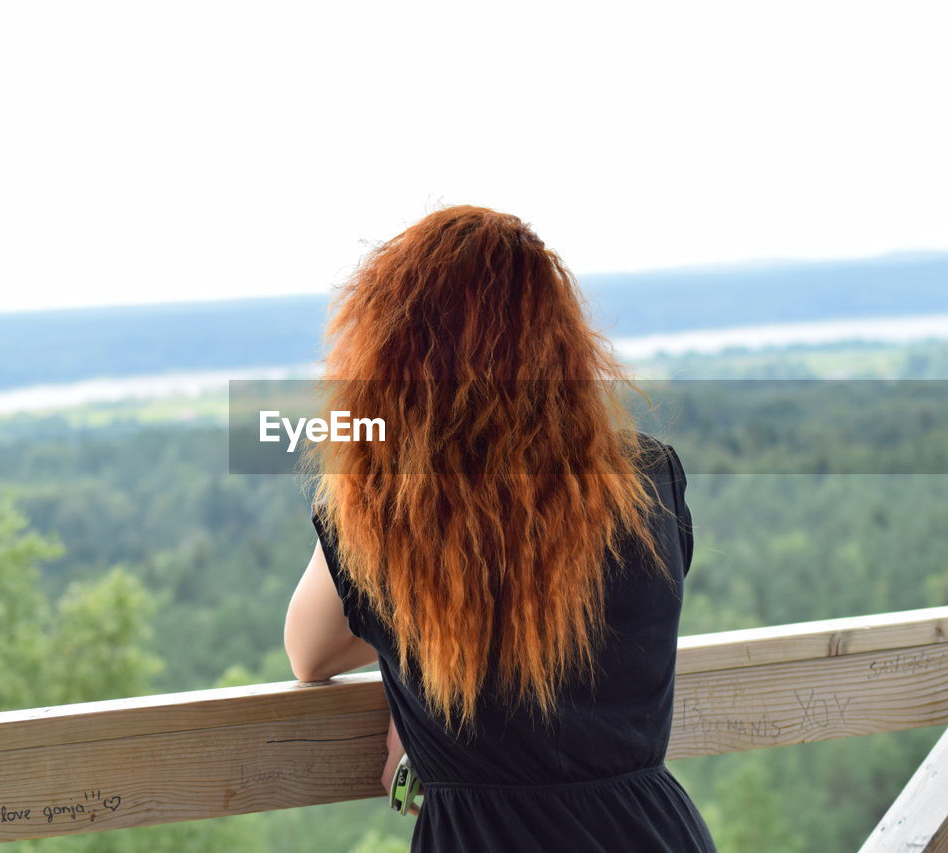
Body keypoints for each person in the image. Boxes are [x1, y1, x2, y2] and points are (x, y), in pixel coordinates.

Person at [284, 205, 717, 852]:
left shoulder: (392, 506)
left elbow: (311, 651)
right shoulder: (646, 478)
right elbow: (594, 632)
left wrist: (428, 688)